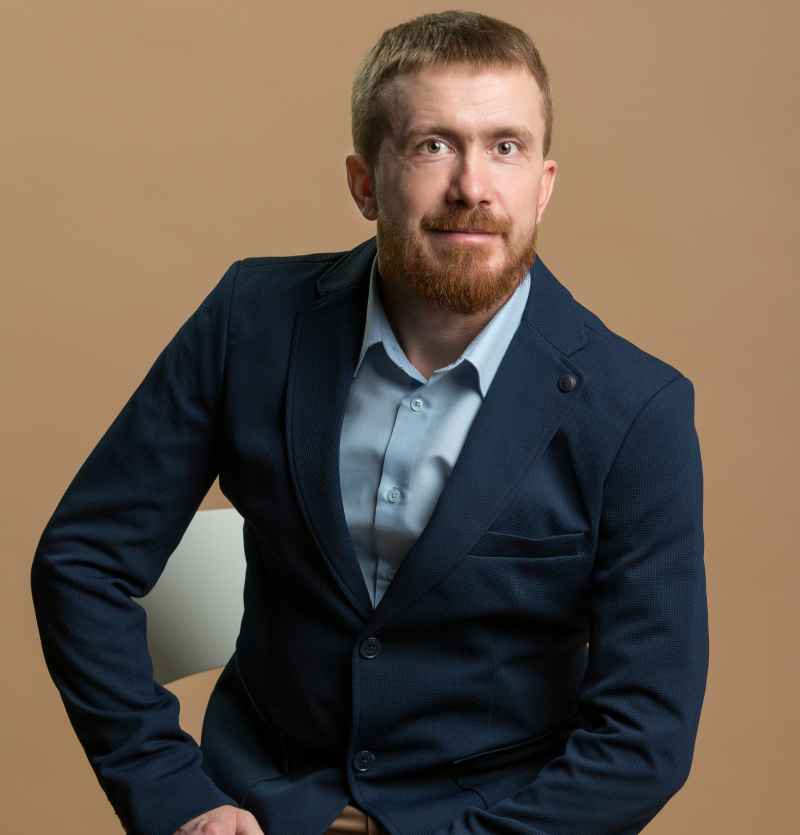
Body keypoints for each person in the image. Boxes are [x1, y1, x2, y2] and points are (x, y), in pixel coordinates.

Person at [31, 10, 708, 835]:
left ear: (544, 183)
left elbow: (644, 736)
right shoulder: (250, 322)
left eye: (506, 147)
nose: (472, 186)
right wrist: (175, 795)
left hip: (497, 820)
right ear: (364, 183)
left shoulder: (638, 410)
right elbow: (83, 561)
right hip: (259, 806)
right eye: (433, 145)